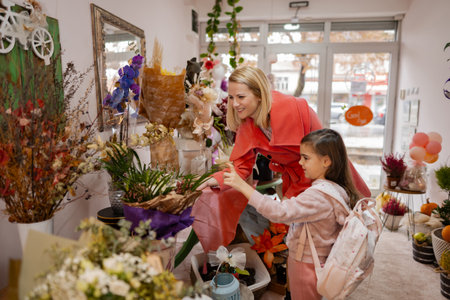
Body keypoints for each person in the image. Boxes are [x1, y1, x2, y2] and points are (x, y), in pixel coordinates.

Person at [191, 66, 370, 252]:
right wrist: (209, 180)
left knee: (335, 238)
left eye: (241, 97)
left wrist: (289, 200)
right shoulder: (248, 123)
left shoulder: (293, 110)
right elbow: (240, 167)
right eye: (231, 97)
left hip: (325, 177)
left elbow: (317, 161)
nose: (235, 104)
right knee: (302, 241)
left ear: (259, 95)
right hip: (298, 178)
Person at [223, 128, 359, 300]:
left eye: (306, 158)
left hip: (306, 264)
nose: (300, 162)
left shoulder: (318, 196)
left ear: (326, 161)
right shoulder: (336, 189)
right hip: (318, 259)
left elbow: (279, 212)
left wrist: (242, 186)